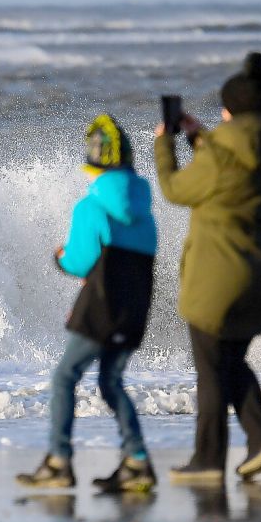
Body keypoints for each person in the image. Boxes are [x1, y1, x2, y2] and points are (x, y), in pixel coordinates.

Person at [154, 52, 261, 483]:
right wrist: (202, 139)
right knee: (230, 361)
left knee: (211, 369)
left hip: (218, 277)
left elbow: (176, 189)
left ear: (231, 109)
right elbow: (231, 170)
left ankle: (208, 460)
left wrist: (165, 144)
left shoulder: (222, 151)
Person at [16, 114, 158, 493]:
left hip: (102, 304)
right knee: (111, 382)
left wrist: (59, 257)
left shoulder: (90, 206)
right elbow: (131, 263)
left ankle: (59, 461)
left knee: (64, 377)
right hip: (135, 306)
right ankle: (137, 462)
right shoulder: (145, 210)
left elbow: (79, 261)